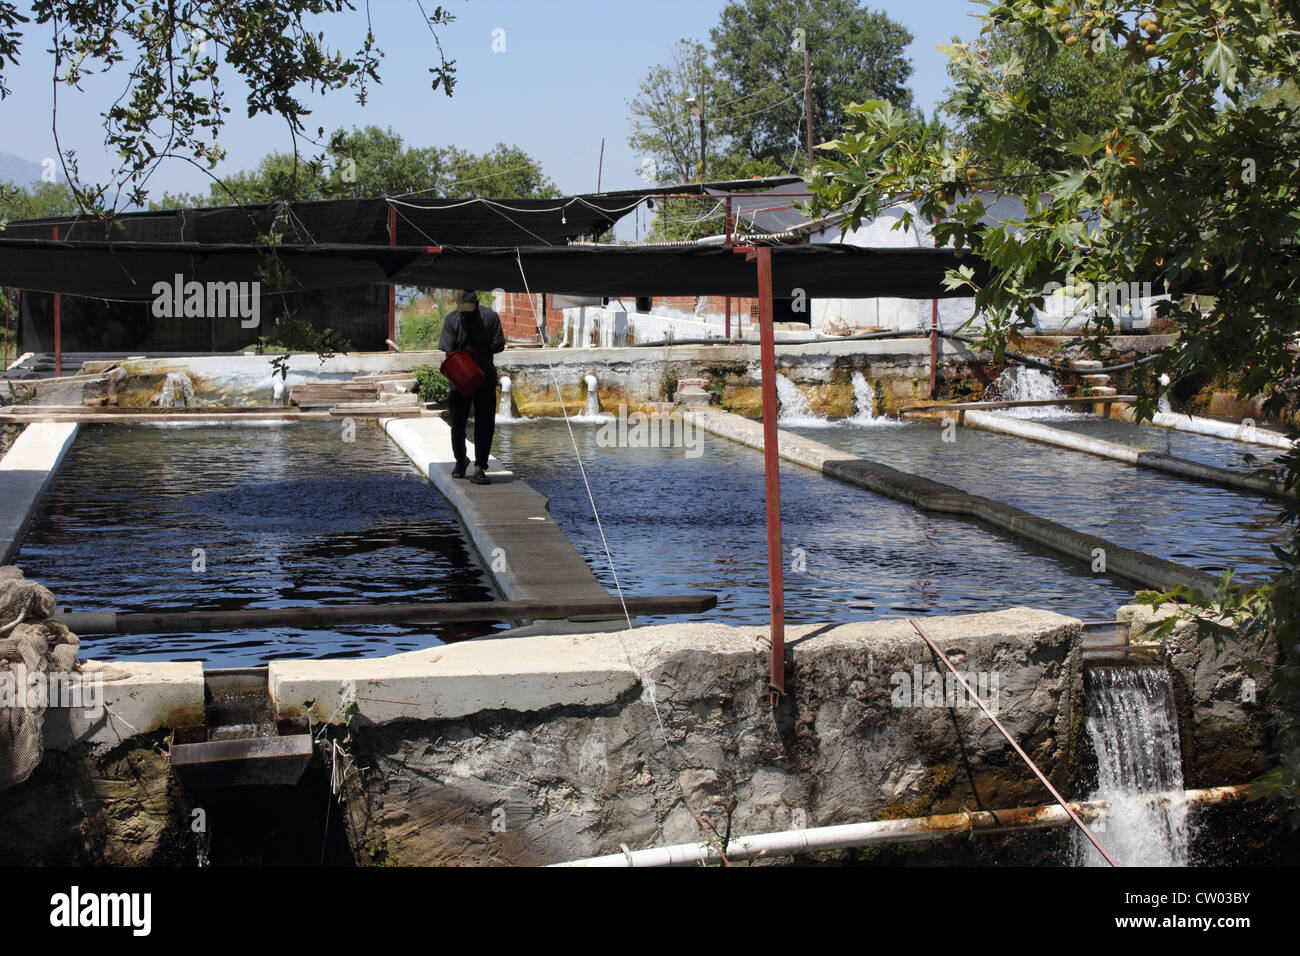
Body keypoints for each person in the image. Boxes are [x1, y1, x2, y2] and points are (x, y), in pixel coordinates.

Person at [438, 290, 506, 485]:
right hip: (460, 380)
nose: (466, 313)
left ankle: (480, 467)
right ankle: (461, 461)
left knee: (484, 425)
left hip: (485, 378)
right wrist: (462, 356)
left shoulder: (490, 317)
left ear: (476, 304)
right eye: (463, 310)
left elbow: (499, 344)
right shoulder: (452, 320)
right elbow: (448, 351)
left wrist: (478, 351)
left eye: (469, 309)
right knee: (458, 425)